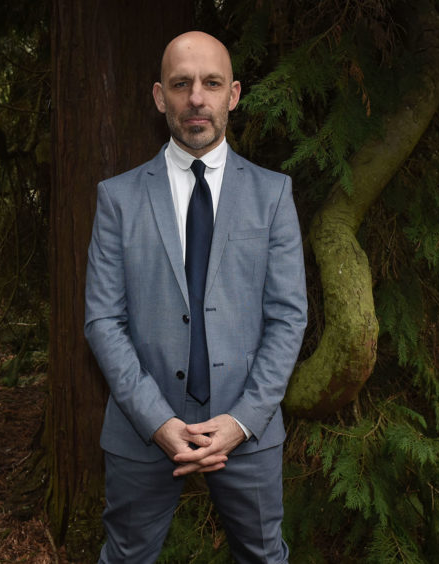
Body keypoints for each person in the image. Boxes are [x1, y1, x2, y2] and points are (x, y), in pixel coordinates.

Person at [84, 30, 307, 563]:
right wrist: (157, 422)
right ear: (160, 97)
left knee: (263, 557)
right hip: (143, 430)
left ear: (233, 94)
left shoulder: (273, 194)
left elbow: (288, 318)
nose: (196, 99)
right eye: (181, 85)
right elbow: (102, 321)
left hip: (246, 430)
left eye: (211, 83)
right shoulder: (117, 198)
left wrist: (243, 420)